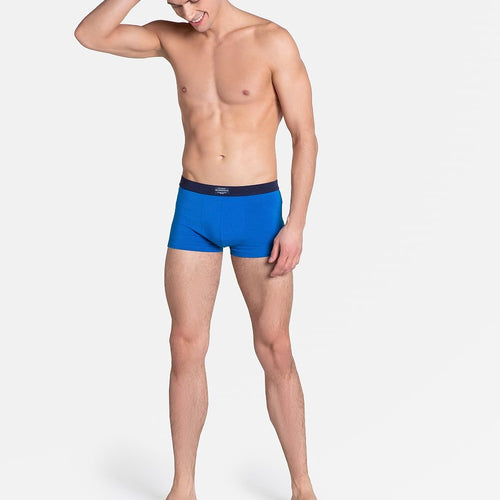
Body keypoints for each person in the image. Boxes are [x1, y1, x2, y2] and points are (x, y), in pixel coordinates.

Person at [74, 1, 318, 499]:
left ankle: (302, 485)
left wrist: (294, 224)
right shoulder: (172, 38)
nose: (187, 12)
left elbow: (305, 137)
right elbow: (90, 35)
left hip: (257, 211)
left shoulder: (271, 40)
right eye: (175, 2)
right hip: (195, 208)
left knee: (275, 348)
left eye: (192, 0)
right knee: (185, 343)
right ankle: (182, 486)